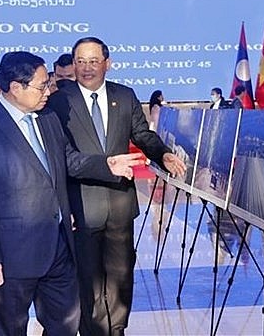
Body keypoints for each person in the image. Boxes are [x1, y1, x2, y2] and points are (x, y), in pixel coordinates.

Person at [0, 51, 144, 336]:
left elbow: (68, 160)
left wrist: (106, 164)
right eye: (42, 85)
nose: (49, 91)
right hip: (10, 257)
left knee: (65, 324)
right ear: (16, 87)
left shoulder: (46, 118)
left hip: (57, 246)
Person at [48, 36, 186, 336]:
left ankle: (117, 328)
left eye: (93, 61)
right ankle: (95, 330)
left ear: (107, 64)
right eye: (80, 61)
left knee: (121, 275)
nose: (86, 68)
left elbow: (142, 135)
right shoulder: (59, 102)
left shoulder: (124, 96)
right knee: (89, 278)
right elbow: (61, 156)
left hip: (121, 205)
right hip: (83, 205)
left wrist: (163, 153)